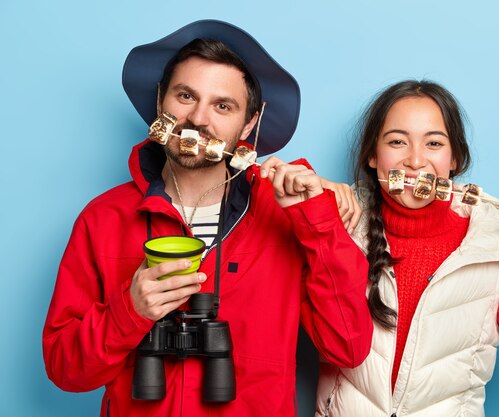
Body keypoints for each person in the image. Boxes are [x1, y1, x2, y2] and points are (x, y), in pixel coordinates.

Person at [43, 20, 372, 417]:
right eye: (185, 96)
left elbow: (348, 348)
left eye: (223, 106)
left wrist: (317, 225)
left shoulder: (287, 215)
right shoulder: (103, 219)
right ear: (161, 99)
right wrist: (128, 312)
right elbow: (64, 370)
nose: (198, 119)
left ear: (249, 122)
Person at [315, 80, 499, 417]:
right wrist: (310, 207)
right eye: (397, 142)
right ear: (373, 156)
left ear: (455, 159)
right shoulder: (335, 227)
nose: (415, 161)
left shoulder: (492, 247)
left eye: (433, 143)